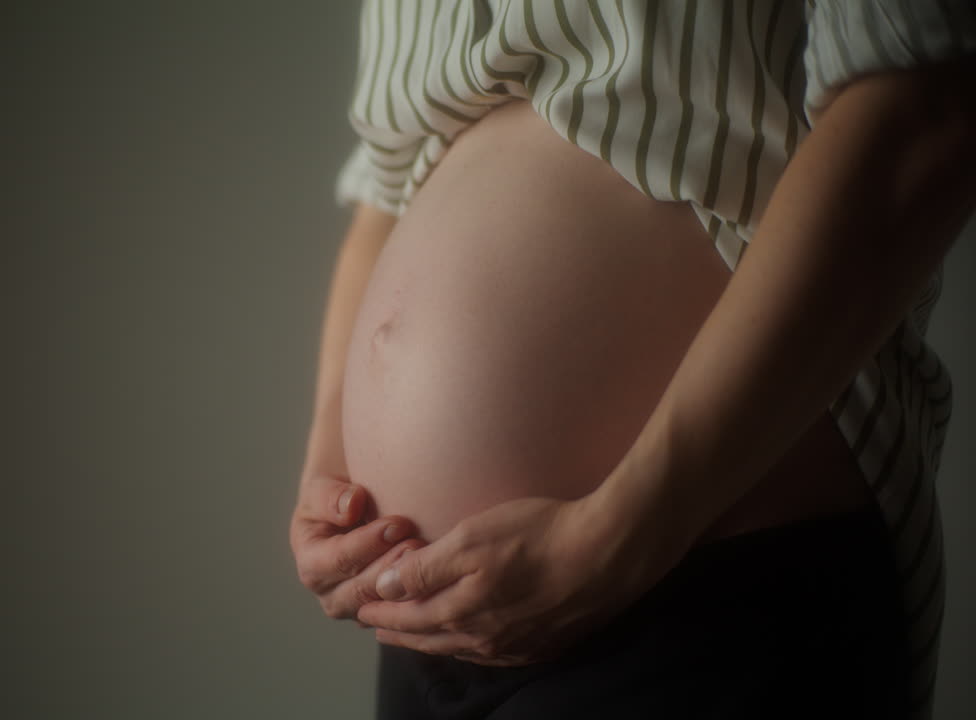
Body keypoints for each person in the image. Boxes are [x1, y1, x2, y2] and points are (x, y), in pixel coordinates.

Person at [290, 2, 975, 718]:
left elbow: (921, 108)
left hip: (701, 575)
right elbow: (386, 179)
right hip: (421, 620)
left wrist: (617, 537)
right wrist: (327, 473)